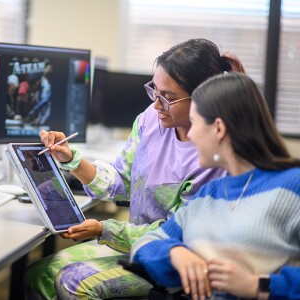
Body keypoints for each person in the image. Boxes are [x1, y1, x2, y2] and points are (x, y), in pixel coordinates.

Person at [25, 38, 245, 300]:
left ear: (203, 98)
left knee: (73, 284)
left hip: (177, 258)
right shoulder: (151, 120)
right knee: (38, 274)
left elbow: (175, 233)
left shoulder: (213, 158)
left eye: (168, 98)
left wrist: (103, 230)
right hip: (134, 244)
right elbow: (120, 180)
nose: (156, 105)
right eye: (155, 90)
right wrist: (71, 159)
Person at [130, 73, 300, 300]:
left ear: (218, 128)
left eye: (195, 123)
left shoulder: (292, 186)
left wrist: (256, 285)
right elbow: (143, 246)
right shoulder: (209, 195)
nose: (189, 134)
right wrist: (175, 253)